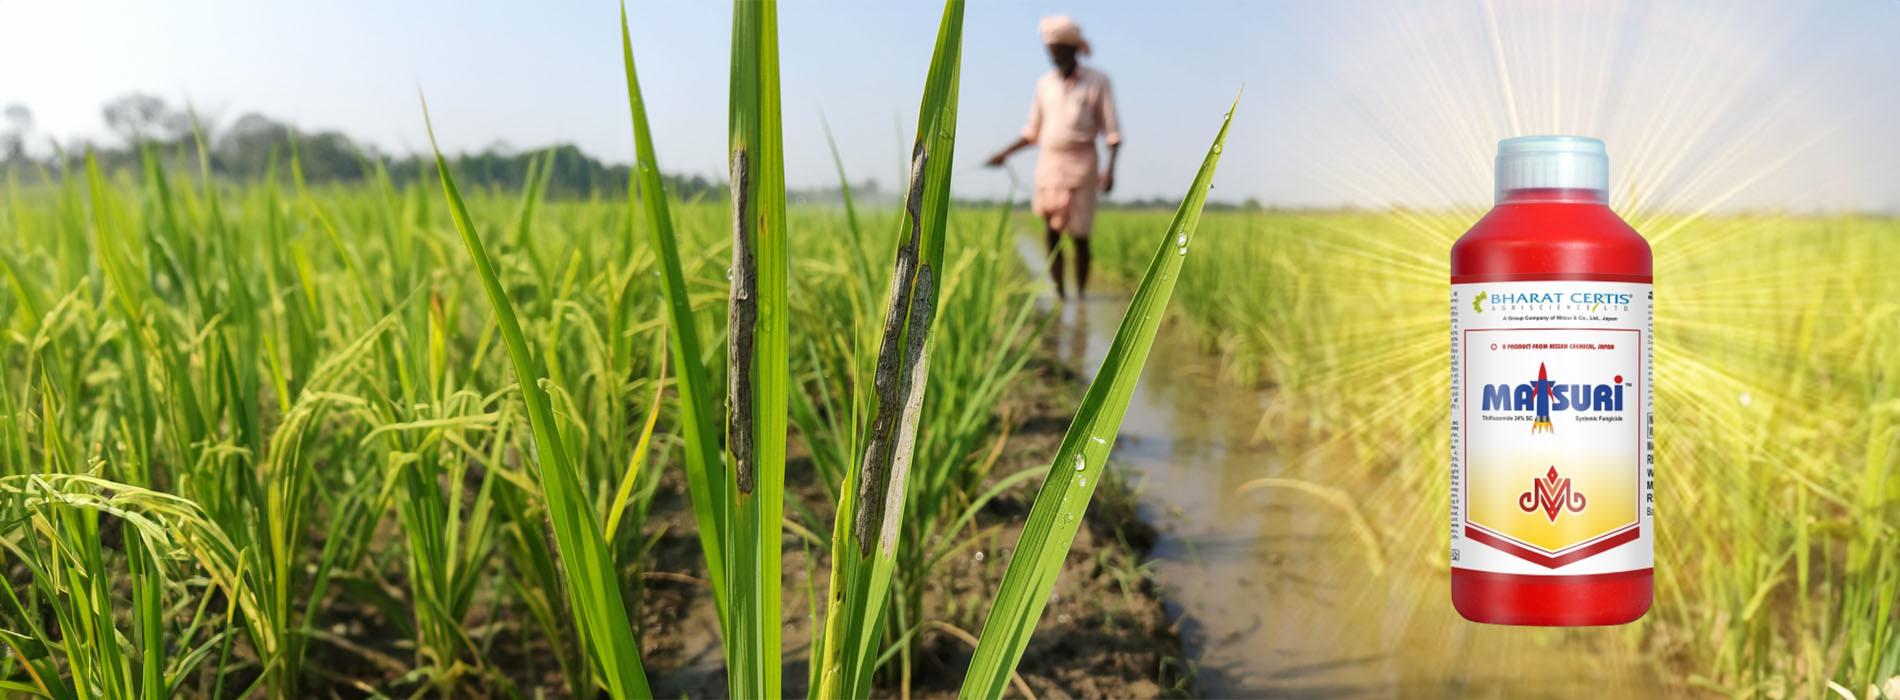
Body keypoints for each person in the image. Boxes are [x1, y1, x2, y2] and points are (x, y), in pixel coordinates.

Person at [986, 14, 1121, 301]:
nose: (1054, 54)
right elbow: (1032, 132)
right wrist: (1004, 154)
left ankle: (1080, 296)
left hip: (1082, 164)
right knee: (1051, 231)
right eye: (1050, 49)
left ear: (1074, 48)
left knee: (1081, 235)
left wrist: (1110, 170)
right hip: (1050, 164)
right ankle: (1061, 295)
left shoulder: (1097, 82)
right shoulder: (1044, 85)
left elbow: (1112, 132)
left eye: (1059, 48)